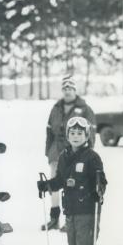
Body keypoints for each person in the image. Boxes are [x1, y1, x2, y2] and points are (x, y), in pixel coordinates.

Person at [38, 117, 107, 245]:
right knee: (73, 244)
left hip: (87, 208)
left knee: (84, 243)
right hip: (70, 208)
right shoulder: (64, 156)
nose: (76, 136)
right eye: (72, 133)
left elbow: (101, 179)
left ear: (87, 136)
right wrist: (47, 185)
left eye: (80, 133)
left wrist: (99, 186)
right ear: (67, 136)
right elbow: (60, 180)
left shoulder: (91, 157)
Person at [43, 75, 96, 231]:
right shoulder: (56, 108)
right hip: (55, 153)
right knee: (54, 185)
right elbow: (49, 131)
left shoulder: (84, 108)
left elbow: (91, 133)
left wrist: (88, 154)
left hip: (75, 154)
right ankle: (54, 218)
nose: (67, 92)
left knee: (72, 185)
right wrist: (48, 152)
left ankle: (70, 219)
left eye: (70, 88)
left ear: (75, 90)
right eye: (65, 89)